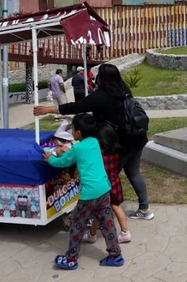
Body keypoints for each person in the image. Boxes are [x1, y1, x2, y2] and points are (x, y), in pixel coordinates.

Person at [34, 63, 154, 220]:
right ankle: (144, 209)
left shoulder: (102, 95)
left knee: (105, 178)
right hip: (137, 138)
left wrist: (49, 110)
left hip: (120, 143)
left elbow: (78, 106)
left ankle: (98, 215)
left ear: (102, 78)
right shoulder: (124, 91)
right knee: (133, 172)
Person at [44, 114, 124, 270]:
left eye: (73, 129)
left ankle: (71, 258)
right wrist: (66, 153)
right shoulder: (94, 142)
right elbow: (78, 155)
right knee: (107, 223)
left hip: (89, 194)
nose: (72, 132)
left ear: (79, 133)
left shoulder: (78, 147)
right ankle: (115, 255)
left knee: (77, 223)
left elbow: (63, 162)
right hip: (104, 189)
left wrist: (50, 159)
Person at [85, 123, 131, 244]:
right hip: (115, 182)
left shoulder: (99, 154)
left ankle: (92, 235)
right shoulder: (116, 150)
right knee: (116, 206)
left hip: (103, 185)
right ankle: (124, 232)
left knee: (97, 212)